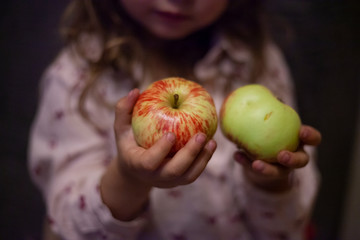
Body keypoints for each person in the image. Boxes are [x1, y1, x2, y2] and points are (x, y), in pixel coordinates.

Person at [29, 0, 322, 239]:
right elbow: (69, 226)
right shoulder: (75, 80)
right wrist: (129, 179)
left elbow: (286, 230)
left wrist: (270, 183)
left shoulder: (257, 64)